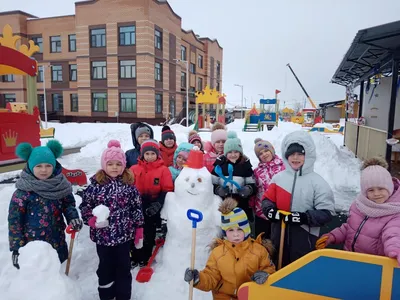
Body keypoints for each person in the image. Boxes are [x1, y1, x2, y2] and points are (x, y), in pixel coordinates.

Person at [79, 140, 144, 300]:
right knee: (105, 269)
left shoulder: (129, 187)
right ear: (103, 165)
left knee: (123, 268)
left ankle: (123, 296)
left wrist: (139, 229)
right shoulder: (95, 187)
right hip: (102, 238)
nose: (114, 167)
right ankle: (106, 295)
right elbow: (85, 207)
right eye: (110, 164)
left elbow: (136, 209)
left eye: (118, 164)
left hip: (123, 238)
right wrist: (91, 220)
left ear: (123, 165)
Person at [262, 131, 335, 267]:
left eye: (300, 154)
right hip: (279, 236)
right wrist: (270, 210)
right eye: (291, 154)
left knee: (300, 270)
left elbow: (327, 213)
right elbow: (267, 200)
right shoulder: (279, 178)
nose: (295, 158)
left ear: (308, 155)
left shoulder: (317, 182)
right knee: (277, 267)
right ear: (286, 156)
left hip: (304, 239)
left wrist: (303, 217)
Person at [8, 140, 82, 268]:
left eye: (48, 165)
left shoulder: (61, 186)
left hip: (57, 242)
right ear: (31, 166)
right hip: (33, 247)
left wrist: (73, 218)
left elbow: (68, 205)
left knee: (57, 279)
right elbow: (15, 222)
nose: (44, 170)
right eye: (39, 166)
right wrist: (16, 248)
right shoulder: (22, 192)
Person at [183, 198, 275, 300]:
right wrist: (197, 279)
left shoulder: (259, 251)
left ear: (246, 229)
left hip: (250, 296)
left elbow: (269, 270)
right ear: (225, 232)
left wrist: (265, 276)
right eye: (230, 230)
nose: (235, 234)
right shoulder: (218, 253)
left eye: (240, 229)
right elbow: (211, 277)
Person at [316, 157, 400, 264]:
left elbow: (392, 235)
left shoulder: (394, 212)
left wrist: (395, 251)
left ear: (390, 187)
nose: (376, 193)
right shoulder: (359, 205)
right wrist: (332, 236)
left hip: (374, 266)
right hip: (350, 260)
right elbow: (350, 227)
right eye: (371, 190)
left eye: (381, 188)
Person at [130, 139, 174, 267]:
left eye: (152, 154)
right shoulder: (134, 169)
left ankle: (146, 255)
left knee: (149, 232)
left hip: (153, 204)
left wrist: (159, 203)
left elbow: (167, 189)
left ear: (157, 155)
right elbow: (129, 186)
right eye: (147, 154)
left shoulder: (163, 170)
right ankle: (134, 254)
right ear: (142, 154)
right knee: (135, 231)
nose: (149, 157)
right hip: (137, 204)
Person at [212, 131, 256, 222]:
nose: (233, 155)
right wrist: (218, 190)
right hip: (223, 202)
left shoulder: (245, 165)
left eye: (236, 152)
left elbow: (252, 183)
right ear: (225, 153)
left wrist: (248, 189)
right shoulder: (220, 164)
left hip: (241, 202)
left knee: (241, 224)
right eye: (230, 152)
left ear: (240, 152)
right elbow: (212, 183)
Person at [251, 138, 285, 238]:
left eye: (266, 151)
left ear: (272, 150)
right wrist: (252, 206)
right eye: (260, 154)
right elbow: (255, 190)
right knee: (262, 241)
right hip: (261, 212)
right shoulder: (257, 171)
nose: (264, 154)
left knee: (278, 241)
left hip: (280, 211)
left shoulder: (284, 167)